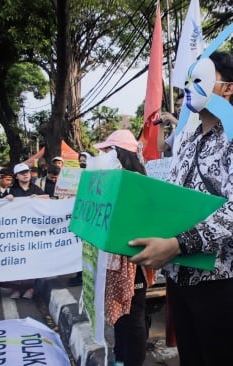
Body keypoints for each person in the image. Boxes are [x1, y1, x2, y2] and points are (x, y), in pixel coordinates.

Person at [128, 51, 233, 365]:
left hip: (218, 279)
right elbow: (170, 202)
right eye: (187, 81)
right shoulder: (187, 142)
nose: (188, 87)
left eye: (199, 79)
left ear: (227, 89)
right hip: (178, 277)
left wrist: (178, 244)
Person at [94, 129, 157, 366]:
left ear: (120, 154)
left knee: (133, 315)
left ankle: (133, 361)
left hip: (132, 262)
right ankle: (120, 356)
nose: (104, 155)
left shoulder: (138, 184)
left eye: (109, 151)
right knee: (120, 313)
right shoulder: (109, 181)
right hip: (113, 260)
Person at [1, 163, 45, 299]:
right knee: (17, 260)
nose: (26, 174)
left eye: (27, 172)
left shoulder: (36, 189)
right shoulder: (11, 191)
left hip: (33, 231)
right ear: (16, 176)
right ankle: (16, 288)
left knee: (31, 259)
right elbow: (2, 208)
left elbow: (48, 202)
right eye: (22, 173)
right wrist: (6, 200)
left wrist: (38, 199)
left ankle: (30, 288)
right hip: (17, 232)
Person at [156, 91, 184, 156]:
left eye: (182, 105)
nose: (179, 108)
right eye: (178, 106)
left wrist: (172, 119)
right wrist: (161, 126)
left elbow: (188, 131)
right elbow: (161, 148)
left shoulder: (197, 124)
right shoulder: (176, 132)